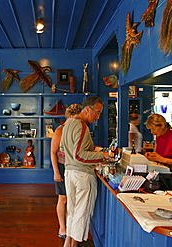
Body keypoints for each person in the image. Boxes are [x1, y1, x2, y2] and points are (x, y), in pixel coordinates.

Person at [60, 96, 109, 247]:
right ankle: (73, 245)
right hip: (82, 176)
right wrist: (104, 156)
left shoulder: (67, 124)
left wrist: (91, 151)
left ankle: (68, 244)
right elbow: (80, 155)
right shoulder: (81, 126)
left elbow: (63, 151)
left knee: (72, 212)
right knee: (81, 214)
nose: (98, 116)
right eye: (97, 112)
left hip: (69, 173)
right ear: (88, 109)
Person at [50, 104, 82, 239]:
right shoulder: (60, 130)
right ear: (70, 116)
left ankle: (71, 227)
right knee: (63, 198)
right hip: (62, 167)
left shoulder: (77, 129)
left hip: (74, 167)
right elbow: (53, 152)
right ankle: (62, 228)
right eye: (76, 118)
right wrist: (56, 172)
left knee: (72, 199)